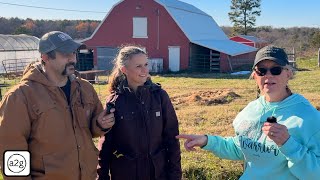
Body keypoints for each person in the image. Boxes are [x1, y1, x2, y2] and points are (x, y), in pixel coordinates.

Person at [177, 45, 320, 179]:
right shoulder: (252, 110)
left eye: (276, 69)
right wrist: (207, 141)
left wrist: (288, 144)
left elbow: (315, 174)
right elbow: (241, 148)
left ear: (288, 73)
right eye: (262, 71)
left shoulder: (308, 118)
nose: (268, 75)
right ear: (255, 75)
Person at [0, 31, 115, 179]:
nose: (72, 59)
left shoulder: (85, 88)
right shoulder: (20, 96)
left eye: (73, 53)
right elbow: (11, 149)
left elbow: (93, 130)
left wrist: (100, 124)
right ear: (45, 57)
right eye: (65, 54)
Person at [97, 45, 182, 180]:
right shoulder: (115, 102)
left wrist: (175, 175)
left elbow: (172, 139)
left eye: (146, 64)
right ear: (124, 70)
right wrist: (102, 176)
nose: (145, 70)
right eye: (138, 66)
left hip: (158, 174)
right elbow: (106, 144)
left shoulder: (160, 97)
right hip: (125, 174)